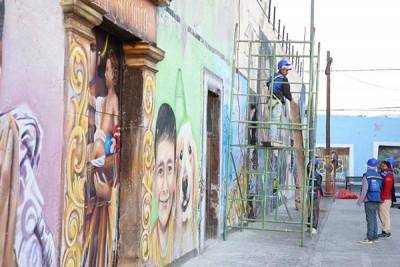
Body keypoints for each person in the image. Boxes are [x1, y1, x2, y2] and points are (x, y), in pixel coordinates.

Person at [150, 103, 177, 265]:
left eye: (170, 169)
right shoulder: (148, 242)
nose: (165, 188)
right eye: (160, 171)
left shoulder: (183, 232)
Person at [266, 59, 293, 143]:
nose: (287, 72)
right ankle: (273, 138)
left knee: (273, 119)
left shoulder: (273, 76)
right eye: (286, 70)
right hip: (277, 101)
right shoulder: (283, 79)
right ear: (281, 69)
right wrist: (291, 100)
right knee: (275, 120)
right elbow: (287, 92)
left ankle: (273, 137)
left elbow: (268, 84)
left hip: (270, 101)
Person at [357, 158, 383, 244]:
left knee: (370, 219)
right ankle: (375, 236)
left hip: (369, 199)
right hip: (377, 199)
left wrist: (360, 201)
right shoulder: (379, 175)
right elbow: (380, 188)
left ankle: (369, 238)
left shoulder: (366, 175)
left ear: (368, 166)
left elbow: (365, 189)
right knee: (374, 218)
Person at [377, 159, 394, 238]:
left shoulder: (388, 176)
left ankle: (386, 231)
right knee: (382, 215)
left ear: (388, 166)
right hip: (383, 198)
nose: (382, 167)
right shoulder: (383, 174)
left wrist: (382, 198)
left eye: (384, 166)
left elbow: (387, 189)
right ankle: (385, 230)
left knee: (384, 215)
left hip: (385, 199)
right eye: (381, 165)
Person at [307, 159, 323, 234]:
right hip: (309, 194)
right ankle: (308, 225)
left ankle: (314, 227)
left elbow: (319, 187)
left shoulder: (318, 176)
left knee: (315, 210)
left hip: (315, 194)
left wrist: (312, 188)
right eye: (309, 164)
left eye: (311, 165)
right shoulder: (308, 175)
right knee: (309, 210)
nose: (309, 166)